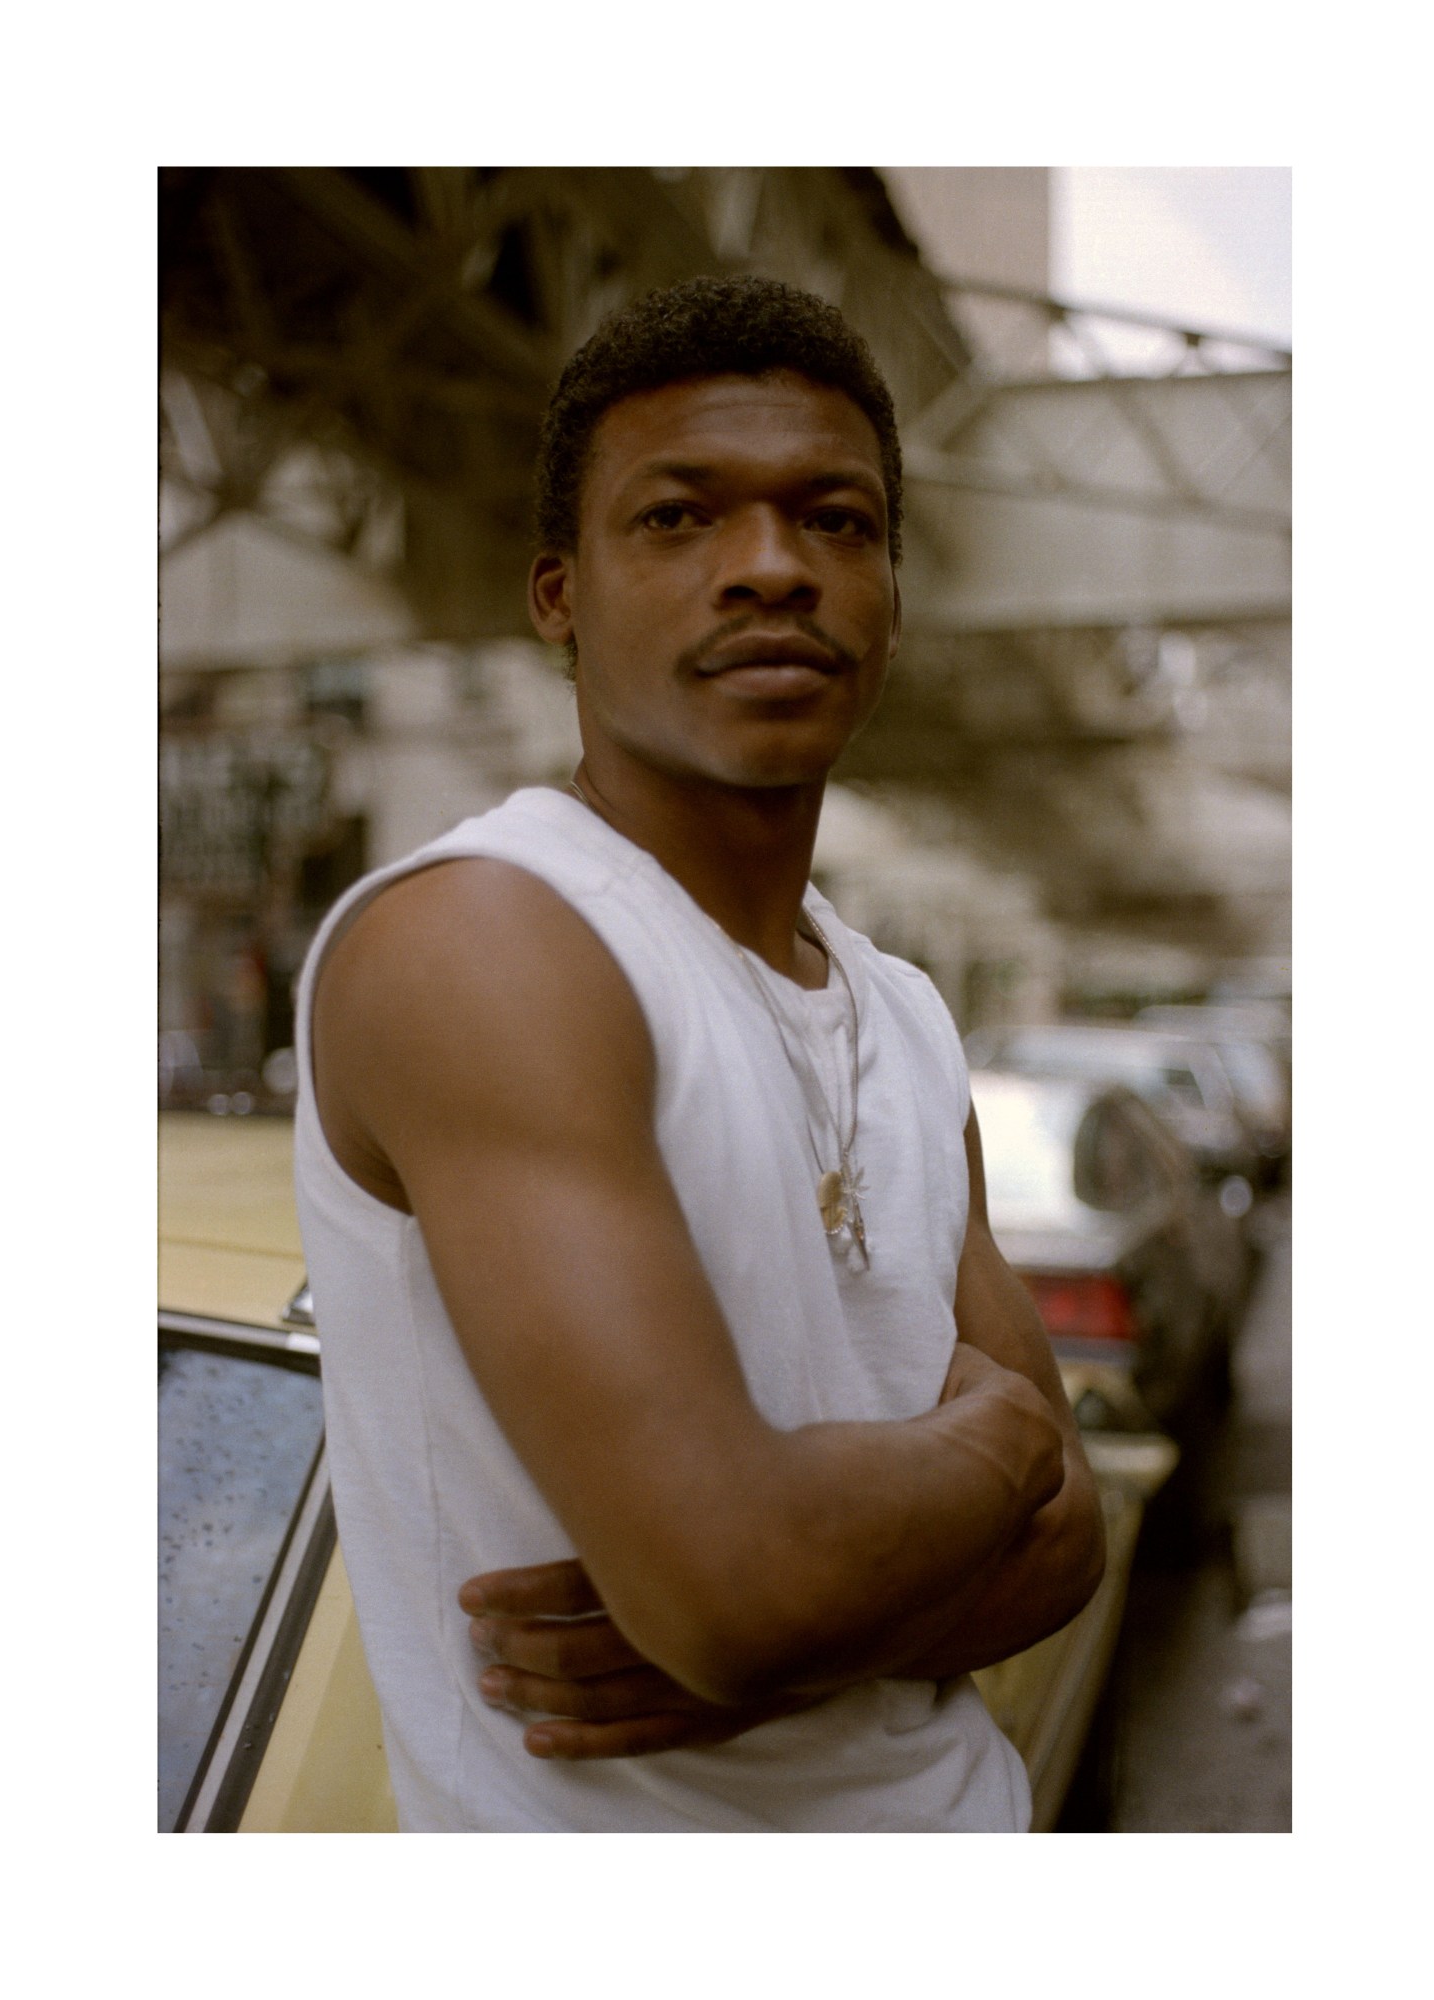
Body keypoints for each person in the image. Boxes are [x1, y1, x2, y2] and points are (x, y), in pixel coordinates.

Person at [293, 275, 1105, 1832]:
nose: (769, 569)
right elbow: (742, 1584)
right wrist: (1002, 1435)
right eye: (679, 519)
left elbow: (1070, 1549)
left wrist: (793, 1643)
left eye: (837, 521)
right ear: (559, 594)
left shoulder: (909, 1015)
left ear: (889, 587)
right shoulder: (488, 940)